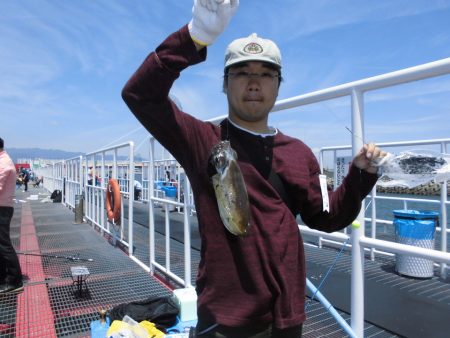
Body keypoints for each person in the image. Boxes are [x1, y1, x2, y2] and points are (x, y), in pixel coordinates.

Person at [122, 1, 385, 336]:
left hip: (288, 317)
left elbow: (326, 216)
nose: (254, 82)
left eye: (265, 74)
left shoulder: (300, 154)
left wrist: (361, 176)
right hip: (226, 319)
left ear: (278, 84)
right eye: (242, 72)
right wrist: (194, 37)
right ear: (225, 83)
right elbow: (139, 94)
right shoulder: (202, 141)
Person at [0, 137, 24, 294]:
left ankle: (15, 280)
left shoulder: (3, 163)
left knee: (4, 245)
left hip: (2, 209)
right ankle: (4, 276)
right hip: (3, 207)